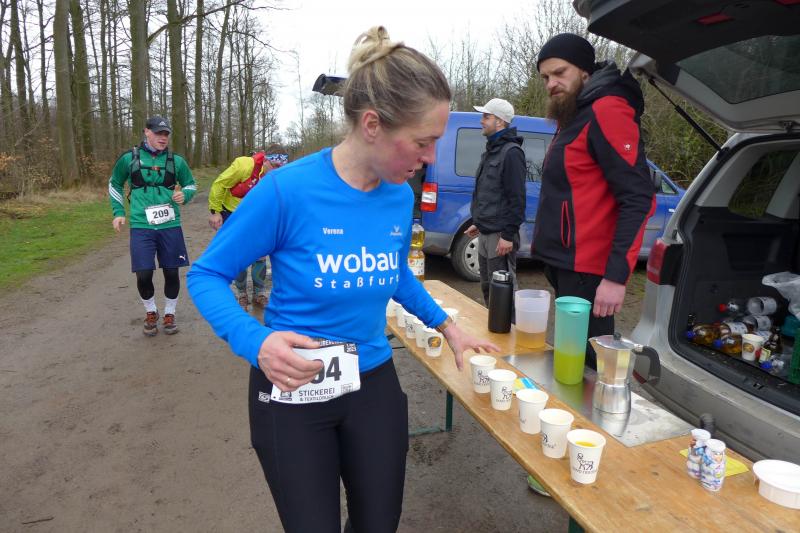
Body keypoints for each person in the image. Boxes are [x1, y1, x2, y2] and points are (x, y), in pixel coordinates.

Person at [188, 26, 499, 533]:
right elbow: (206, 274)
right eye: (422, 142)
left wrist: (449, 327)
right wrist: (255, 342)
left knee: (379, 523)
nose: (429, 158)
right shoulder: (287, 191)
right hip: (292, 384)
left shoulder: (398, 196)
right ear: (372, 124)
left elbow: (393, 273)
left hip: (371, 379)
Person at [532, 33, 656, 369]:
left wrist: (615, 278)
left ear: (585, 70)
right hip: (567, 266)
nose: (551, 84)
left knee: (590, 367)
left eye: (560, 73)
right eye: (545, 77)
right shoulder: (574, 112)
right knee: (570, 360)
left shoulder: (606, 109)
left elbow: (638, 198)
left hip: (589, 271)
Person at [109, 116, 196, 336]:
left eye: (166, 134)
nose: (163, 138)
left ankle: (169, 314)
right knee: (144, 273)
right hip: (141, 225)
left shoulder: (177, 161)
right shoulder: (129, 158)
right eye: (158, 133)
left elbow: (191, 185)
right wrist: (118, 213)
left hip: (170, 224)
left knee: (171, 272)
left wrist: (184, 195)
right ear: (146, 132)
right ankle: (151, 311)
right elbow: (115, 184)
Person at [207, 147, 289, 309]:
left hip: (258, 214)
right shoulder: (243, 165)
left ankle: (259, 293)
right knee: (239, 255)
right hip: (234, 213)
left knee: (260, 254)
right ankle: (242, 294)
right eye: (275, 166)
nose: (278, 171)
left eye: (282, 167)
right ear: (265, 160)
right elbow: (219, 184)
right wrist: (215, 211)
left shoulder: (281, 175)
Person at [464, 97, 526, 309]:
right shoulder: (490, 151)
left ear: (499, 121)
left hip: (500, 236)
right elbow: (489, 193)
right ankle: (492, 327)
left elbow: (517, 199)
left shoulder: (512, 153)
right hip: (486, 232)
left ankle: (509, 329)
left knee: (503, 293)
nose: (481, 121)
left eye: (486, 116)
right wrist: (479, 222)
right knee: (488, 289)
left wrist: (508, 236)